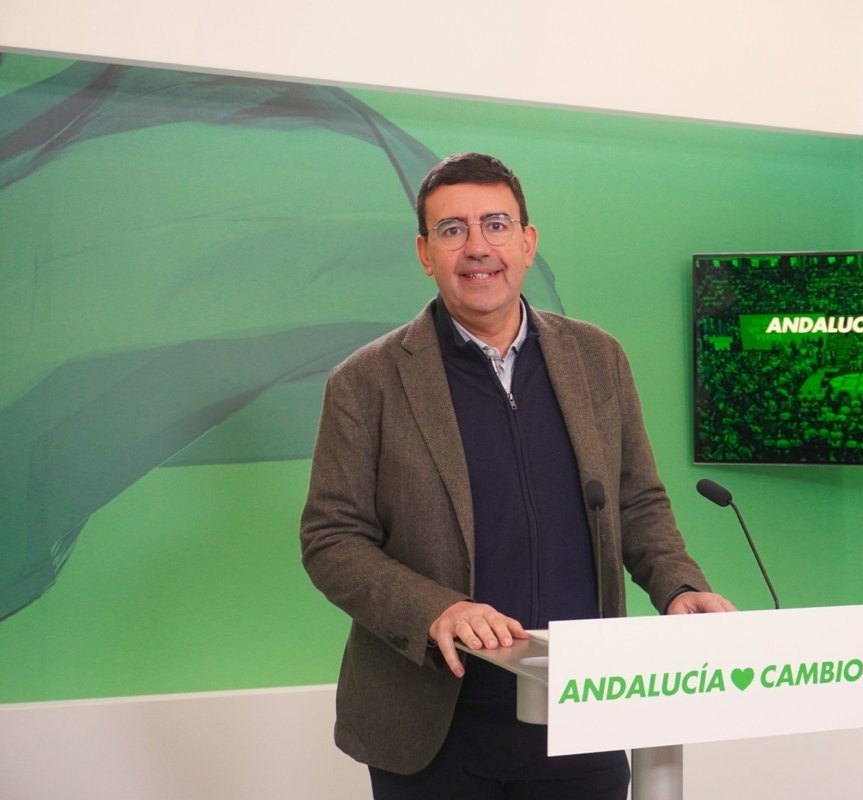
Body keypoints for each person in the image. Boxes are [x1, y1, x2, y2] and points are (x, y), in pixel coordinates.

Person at [300, 152, 734, 799]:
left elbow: (637, 501)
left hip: (581, 711)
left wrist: (678, 584)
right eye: (452, 230)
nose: (478, 247)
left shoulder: (598, 359)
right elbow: (331, 539)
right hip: (431, 729)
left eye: (496, 225)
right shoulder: (366, 382)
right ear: (424, 253)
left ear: (527, 243)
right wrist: (436, 609)